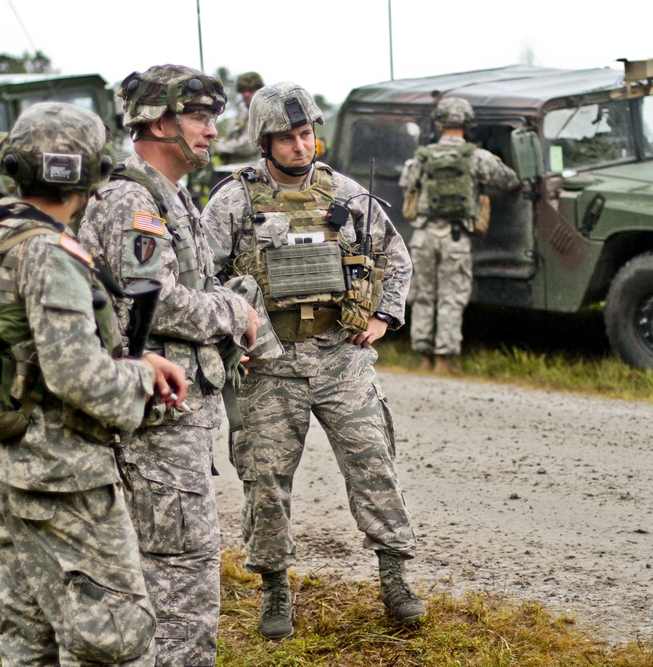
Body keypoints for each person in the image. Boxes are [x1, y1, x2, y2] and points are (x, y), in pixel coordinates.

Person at [0, 102, 189, 666]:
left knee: (29, 637)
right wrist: (142, 378)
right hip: (65, 476)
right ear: (92, 170)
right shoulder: (51, 252)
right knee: (112, 642)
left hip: (9, 464)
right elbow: (77, 376)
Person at [201, 81, 424, 639]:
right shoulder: (233, 200)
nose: (301, 147)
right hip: (270, 365)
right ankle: (274, 588)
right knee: (266, 481)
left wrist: (383, 319)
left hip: (341, 359)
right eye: (288, 138)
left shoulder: (347, 194)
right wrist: (234, 342)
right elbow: (201, 280)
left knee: (374, 465)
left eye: (307, 135)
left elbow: (396, 261)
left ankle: (395, 578)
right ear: (265, 142)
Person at [78, 64, 258, 667]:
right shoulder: (132, 196)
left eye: (213, 117)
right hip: (155, 418)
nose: (212, 130)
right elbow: (153, 300)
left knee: (174, 565)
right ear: (159, 121)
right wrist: (233, 309)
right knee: (182, 572)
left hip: (175, 414)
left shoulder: (170, 192)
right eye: (200, 117)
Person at [399, 96, 520, 374]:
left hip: (424, 237)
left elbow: (406, 184)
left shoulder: (422, 157)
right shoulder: (476, 156)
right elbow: (510, 181)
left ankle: (423, 358)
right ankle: (444, 361)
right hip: (456, 237)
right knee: (451, 298)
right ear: (468, 123)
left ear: (439, 123)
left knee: (423, 295)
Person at [215, 71, 264, 165]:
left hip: (255, 168)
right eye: (243, 91)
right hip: (237, 168)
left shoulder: (264, 114)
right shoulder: (243, 115)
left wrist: (221, 147)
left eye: (250, 90)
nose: (246, 94)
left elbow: (250, 145)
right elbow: (231, 136)